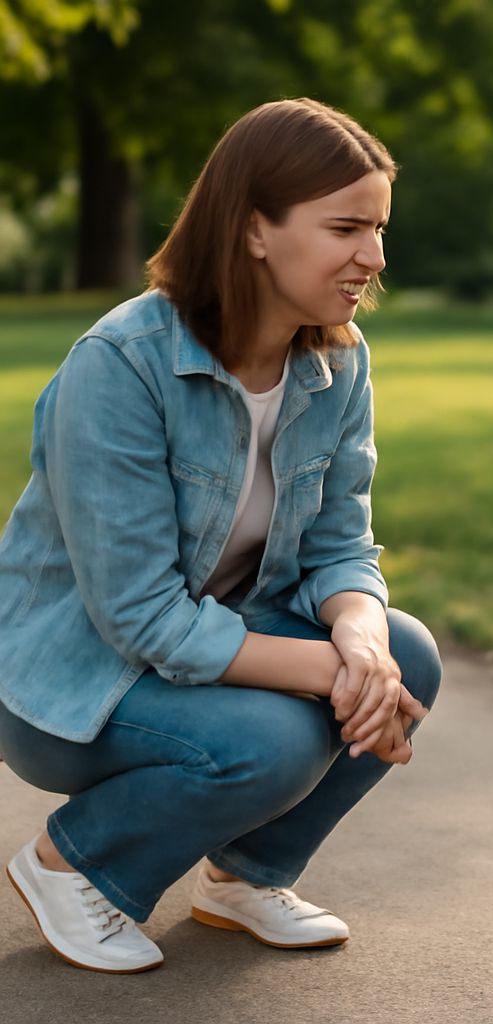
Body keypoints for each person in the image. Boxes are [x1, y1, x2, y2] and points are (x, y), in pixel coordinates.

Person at [0, 98, 442, 974]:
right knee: (276, 739)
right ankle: (74, 864)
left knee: (406, 652)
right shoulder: (120, 365)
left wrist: (360, 642)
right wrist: (335, 675)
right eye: (347, 228)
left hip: (205, 649)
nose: (375, 256)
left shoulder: (338, 360)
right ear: (252, 231)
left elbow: (341, 545)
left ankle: (244, 877)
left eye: (380, 229)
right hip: (74, 686)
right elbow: (141, 618)